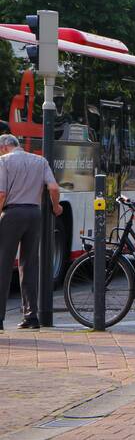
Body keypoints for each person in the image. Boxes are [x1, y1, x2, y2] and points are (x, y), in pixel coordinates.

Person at [0, 134, 63, 331]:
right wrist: (56, 207)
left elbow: (1, 193)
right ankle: (31, 317)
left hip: (12, 214)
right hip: (34, 214)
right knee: (29, 265)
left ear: (3, 147)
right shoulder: (40, 160)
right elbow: (53, 187)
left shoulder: (3, 161)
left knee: (3, 265)